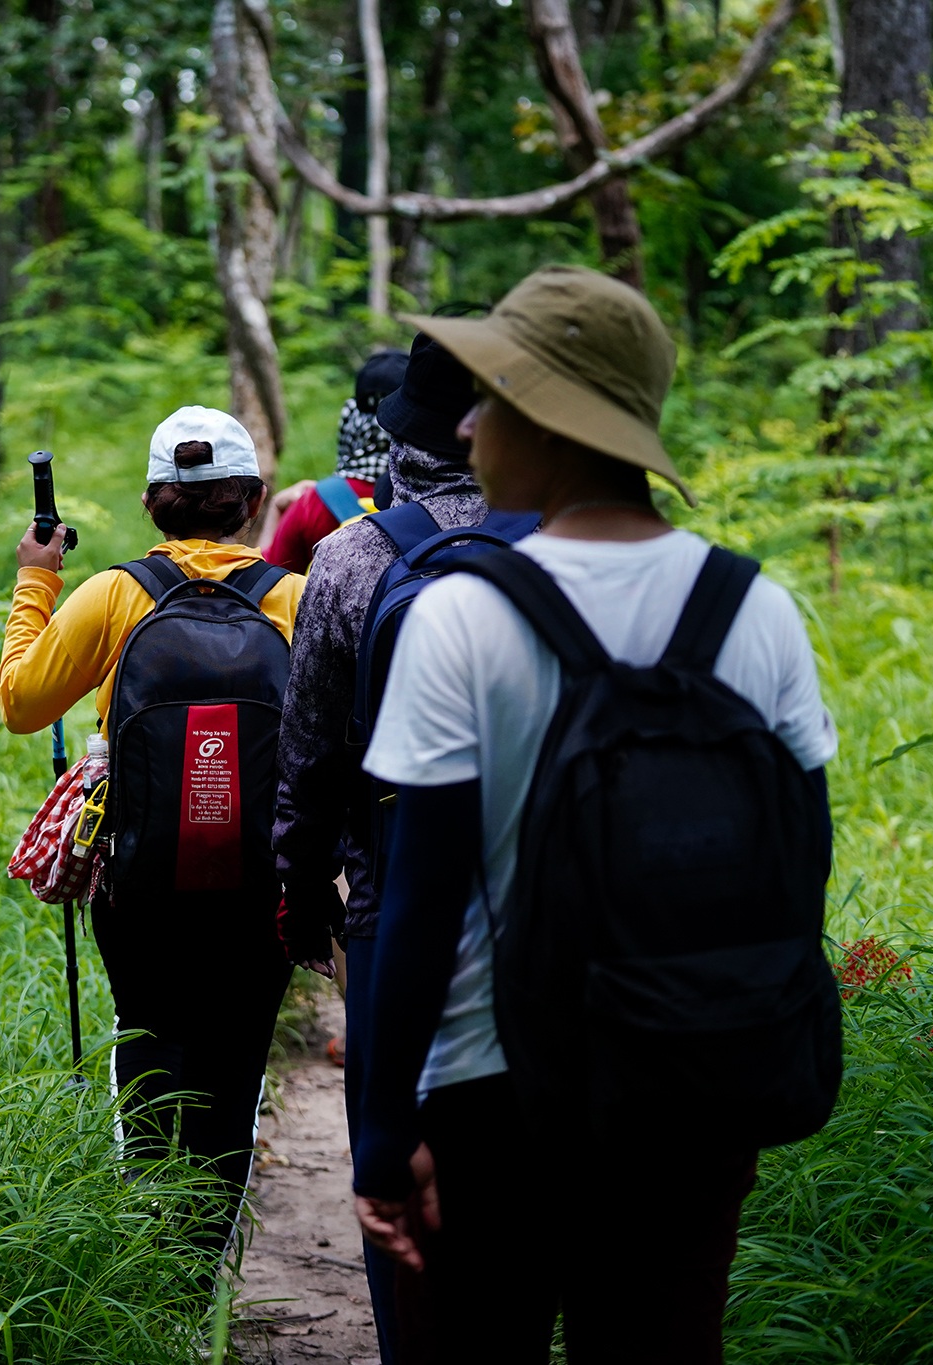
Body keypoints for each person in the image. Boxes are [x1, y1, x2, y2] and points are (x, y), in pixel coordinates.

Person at [352, 266, 838, 1361]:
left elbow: (419, 899)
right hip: (696, 1082)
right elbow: (798, 865)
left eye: (494, 394)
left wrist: (383, 1131)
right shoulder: (753, 607)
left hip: (496, 1090)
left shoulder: (461, 617)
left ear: (554, 423)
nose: (468, 421)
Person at [0, 405, 305, 1273]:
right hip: (260, 882)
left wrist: (35, 580)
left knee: (151, 1038)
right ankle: (205, 1260)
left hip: (140, 882)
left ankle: (149, 1258)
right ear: (251, 499)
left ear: (151, 502)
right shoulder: (294, 596)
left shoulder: (115, 594)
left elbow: (22, 704)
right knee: (235, 1061)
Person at [269, 333, 494, 1363]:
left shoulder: (354, 557)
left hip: (392, 895)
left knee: (396, 1171)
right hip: (556, 913)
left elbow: (307, 753)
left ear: (396, 437)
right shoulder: (559, 542)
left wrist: (300, 887)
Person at [264, 351, 409, 572]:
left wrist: (276, 509)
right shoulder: (443, 500)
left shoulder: (312, 503)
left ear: (350, 422)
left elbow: (263, 589)